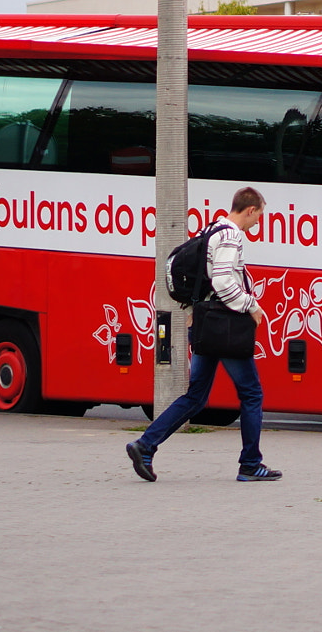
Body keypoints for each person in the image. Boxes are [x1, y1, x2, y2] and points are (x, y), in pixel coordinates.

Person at [125, 188, 280, 483]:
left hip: (208, 322)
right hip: (225, 324)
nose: (259, 222)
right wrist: (251, 306)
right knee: (251, 393)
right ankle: (250, 464)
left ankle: (145, 445)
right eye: (260, 215)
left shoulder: (212, 229)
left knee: (196, 395)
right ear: (250, 210)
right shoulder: (231, 235)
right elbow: (222, 279)